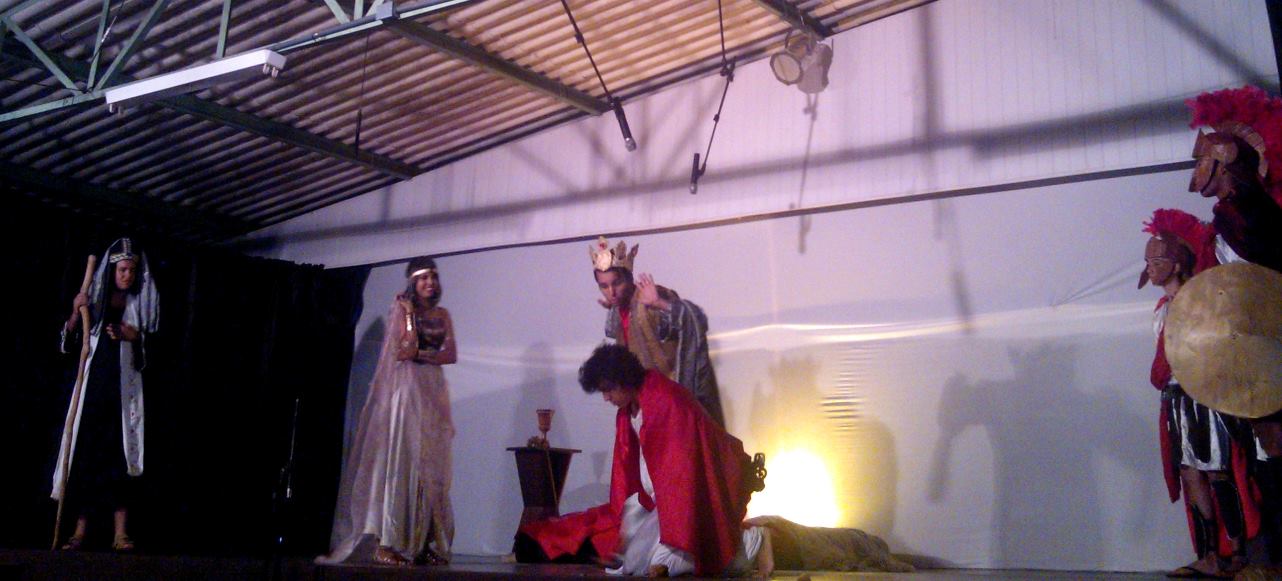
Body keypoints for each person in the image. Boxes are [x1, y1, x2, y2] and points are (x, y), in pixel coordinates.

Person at [520, 344, 761, 576]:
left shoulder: (665, 400)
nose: (606, 397)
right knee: (633, 560)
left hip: (680, 501)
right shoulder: (629, 410)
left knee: (665, 563)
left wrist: (667, 522)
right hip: (656, 501)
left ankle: (753, 541)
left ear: (624, 379)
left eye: (608, 389)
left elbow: (681, 474)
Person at [1186, 86, 1282, 567]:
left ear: (1223, 159)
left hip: (1270, 347)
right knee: (1264, 454)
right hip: (1256, 349)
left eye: (1203, 158)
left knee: (1274, 451)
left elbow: (1259, 284)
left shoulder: (1245, 211)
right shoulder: (1233, 213)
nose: (1197, 169)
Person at [1138, 210, 1258, 578]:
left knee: (1219, 472)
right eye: (1148, 262)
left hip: (1204, 396)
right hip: (1176, 399)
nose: (1150, 268)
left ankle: (1237, 553)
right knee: (1191, 473)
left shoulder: (1201, 301)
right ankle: (1208, 554)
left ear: (1176, 263)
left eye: (1157, 261)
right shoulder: (1163, 309)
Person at [322, 257, 456, 567]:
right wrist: (409, 317)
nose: (430, 283)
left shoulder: (442, 315)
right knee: (402, 462)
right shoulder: (401, 310)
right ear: (413, 282)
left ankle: (422, 540)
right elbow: (403, 350)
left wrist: (421, 354)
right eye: (423, 278)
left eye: (433, 277)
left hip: (431, 392)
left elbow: (450, 354)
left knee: (429, 466)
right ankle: (388, 541)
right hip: (407, 391)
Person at [54, 238, 159, 552]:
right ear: (112, 270)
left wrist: (133, 336)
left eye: (132, 270)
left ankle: (120, 533)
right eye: (123, 269)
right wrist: (76, 312)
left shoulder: (137, 307)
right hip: (92, 396)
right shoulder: (95, 303)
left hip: (122, 400)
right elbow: (68, 345)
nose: (127, 275)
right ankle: (79, 532)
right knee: (86, 459)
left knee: (119, 461)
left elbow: (148, 359)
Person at [589, 236, 725, 426]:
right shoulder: (619, 310)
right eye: (604, 286)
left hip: (673, 405)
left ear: (628, 278)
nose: (611, 292)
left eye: (616, 283)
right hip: (645, 407)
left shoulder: (650, 297)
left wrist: (659, 303)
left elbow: (696, 319)